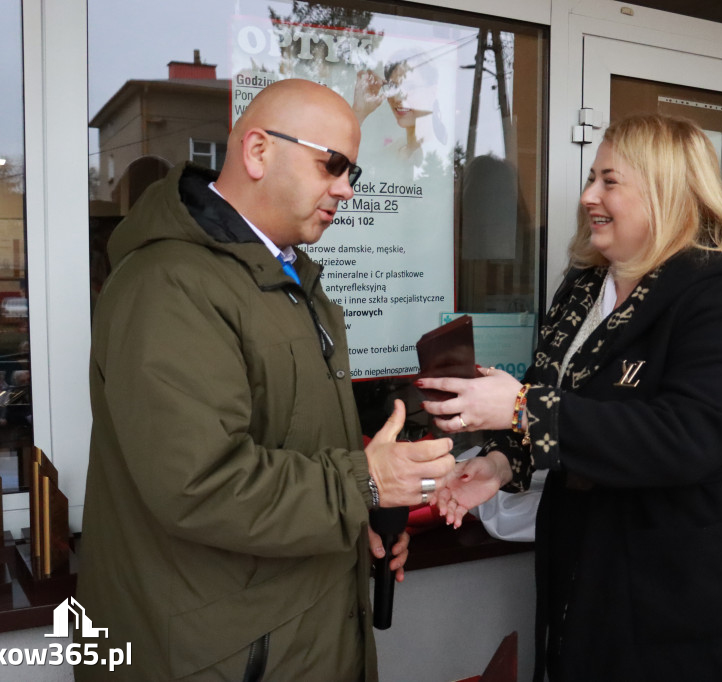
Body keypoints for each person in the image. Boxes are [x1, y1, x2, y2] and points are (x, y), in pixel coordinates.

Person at [76, 79, 455, 681]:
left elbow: (293, 429)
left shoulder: (286, 276)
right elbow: (201, 483)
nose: (346, 190)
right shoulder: (169, 284)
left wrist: (365, 513)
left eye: (351, 170)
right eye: (331, 165)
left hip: (293, 627)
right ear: (257, 152)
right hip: (216, 652)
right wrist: (367, 484)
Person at [418, 113, 722, 681]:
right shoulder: (585, 285)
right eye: (592, 177)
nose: (589, 195)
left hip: (689, 577)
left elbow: (688, 436)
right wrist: (500, 464)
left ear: (666, 189)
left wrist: (521, 408)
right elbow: (559, 394)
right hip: (589, 558)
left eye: (609, 181)